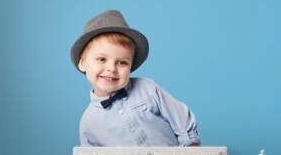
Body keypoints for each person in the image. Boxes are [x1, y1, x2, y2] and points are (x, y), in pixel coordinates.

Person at [71, 10, 201, 147]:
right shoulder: (88, 123)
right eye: (102, 59)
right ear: (82, 63)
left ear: (131, 66)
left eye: (122, 62)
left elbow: (182, 120)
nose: (112, 69)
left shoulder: (148, 88)